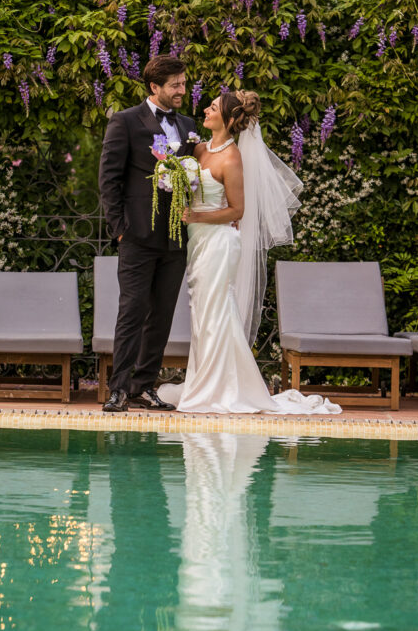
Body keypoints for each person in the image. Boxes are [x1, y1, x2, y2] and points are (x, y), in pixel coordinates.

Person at [159, 90, 341, 415]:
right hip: (197, 242)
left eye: (212, 108)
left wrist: (197, 216)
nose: (205, 110)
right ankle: (205, 382)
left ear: (229, 119)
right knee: (201, 314)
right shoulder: (198, 149)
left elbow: (237, 211)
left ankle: (219, 389)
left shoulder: (232, 158)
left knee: (216, 314)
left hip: (219, 243)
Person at [98, 55, 197, 413]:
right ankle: (118, 389)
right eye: (175, 85)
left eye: (183, 83)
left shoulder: (188, 125)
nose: (182, 90)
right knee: (132, 312)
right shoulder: (125, 121)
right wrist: (120, 230)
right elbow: (109, 179)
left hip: (176, 238)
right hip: (137, 236)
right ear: (155, 87)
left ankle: (143, 386)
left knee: (162, 316)